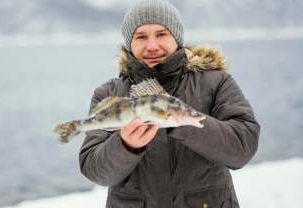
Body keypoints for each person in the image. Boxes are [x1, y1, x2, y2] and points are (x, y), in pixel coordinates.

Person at [79, 0, 260, 207]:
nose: (152, 46)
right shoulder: (108, 94)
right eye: (141, 37)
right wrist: (125, 146)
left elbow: (243, 147)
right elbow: (95, 171)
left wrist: (185, 123)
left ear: (177, 37)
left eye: (162, 34)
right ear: (130, 43)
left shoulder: (216, 82)